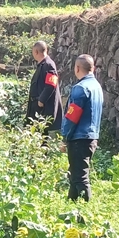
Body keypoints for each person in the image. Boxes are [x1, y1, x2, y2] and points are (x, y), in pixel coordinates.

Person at [61, 54, 103, 202]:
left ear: (77, 68)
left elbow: (72, 116)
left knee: (80, 178)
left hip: (79, 137)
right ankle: (70, 203)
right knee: (75, 174)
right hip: (91, 136)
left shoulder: (81, 88)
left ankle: (87, 207)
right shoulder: (97, 86)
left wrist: (65, 136)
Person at [26, 40, 63, 132]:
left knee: (42, 131)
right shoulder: (42, 64)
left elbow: (51, 84)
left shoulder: (49, 65)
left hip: (43, 106)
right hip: (36, 104)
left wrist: (41, 100)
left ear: (36, 52)